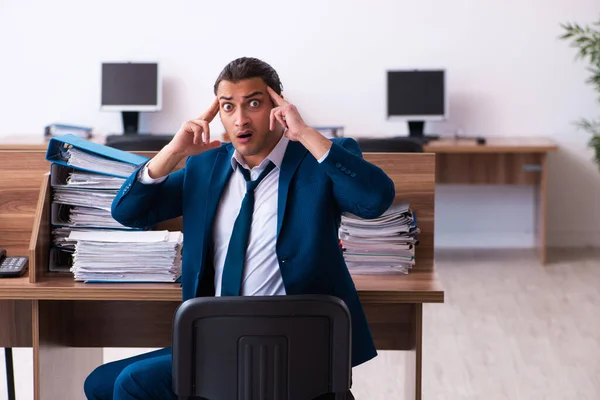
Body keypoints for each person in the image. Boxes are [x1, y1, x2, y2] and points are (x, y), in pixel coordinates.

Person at [84, 57, 395, 400]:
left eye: (254, 104)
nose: (241, 118)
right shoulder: (206, 167)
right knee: (99, 384)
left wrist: (305, 133)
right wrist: (173, 152)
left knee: (133, 384)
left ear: (279, 105)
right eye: (228, 107)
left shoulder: (315, 160)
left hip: (297, 338)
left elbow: (374, 200)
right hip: (215, 335)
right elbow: (127, 212)